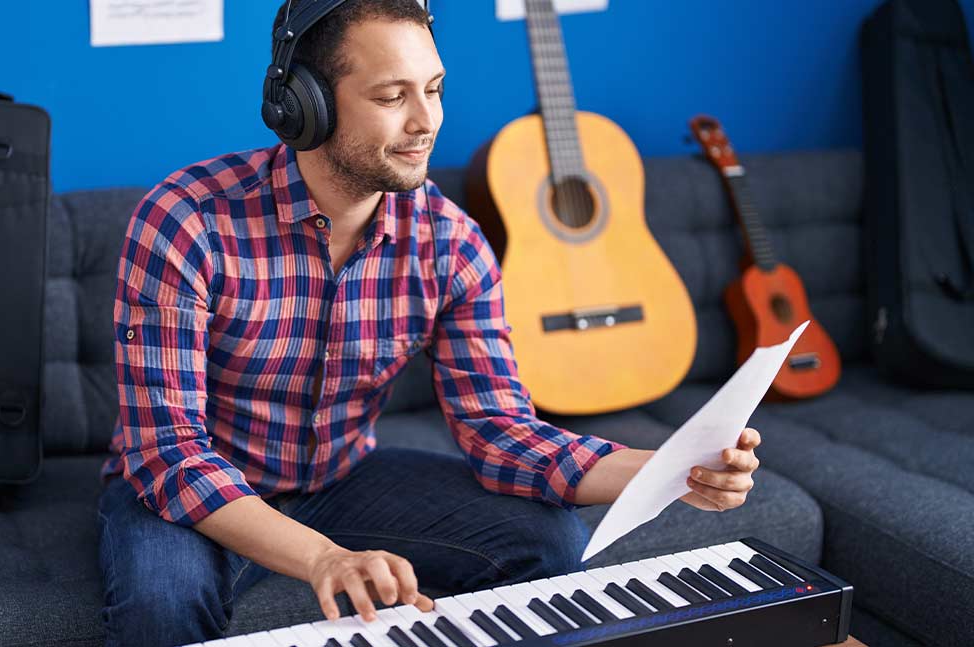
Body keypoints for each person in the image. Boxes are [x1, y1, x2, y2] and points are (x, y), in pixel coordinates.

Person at [96, 1, 762, 644]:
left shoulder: (452, 241)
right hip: (204, 480)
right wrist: (325, 557)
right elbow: (170, 453)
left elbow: (501, 432)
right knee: (163, 602)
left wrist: (671, 469)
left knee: (550, 540)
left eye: (435, 89)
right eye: (392, 97)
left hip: (340, 475)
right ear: (306, 105)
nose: (427, 121)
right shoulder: (186, 220)